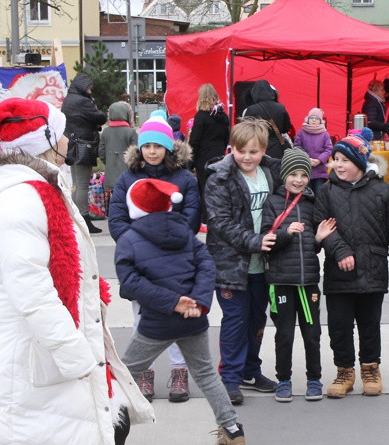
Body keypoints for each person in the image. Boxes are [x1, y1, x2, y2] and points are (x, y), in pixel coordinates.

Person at [0, 98, 154, 445]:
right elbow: (32, 291)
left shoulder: (32, 188)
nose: (67, 139)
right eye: (60, 132)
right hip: (29, 352)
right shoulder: (21, 198)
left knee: (110, 424)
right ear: (42, 140)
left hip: (35, 347)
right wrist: (77, 357)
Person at [115, 178, 246, 445]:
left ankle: (107, 431)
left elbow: (130, 283)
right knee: (207, 374)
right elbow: (206, 264)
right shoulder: (186, 233)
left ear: (134, 208)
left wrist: (173, 303)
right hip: (193, 318)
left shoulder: (129, 238)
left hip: (156, 322)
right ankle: (233, 430)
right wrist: (197, 301)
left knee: (124, 375)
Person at [314, 127, 389, 398]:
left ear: (359, 163)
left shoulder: (382, 191)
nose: (338, 164)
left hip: (372, 269)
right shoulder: (326, 192)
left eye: (344, 160)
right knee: (339, 326)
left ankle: (370, 368)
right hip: (339, 272)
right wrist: (339, 251)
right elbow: (322, 226)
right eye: (335, 159)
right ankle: (344, 371)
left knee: (369, 325)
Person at [107, 110, 200, 402]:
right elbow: (117, 220)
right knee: (141, 317)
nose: (152, 151)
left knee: (176, 316)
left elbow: (191, 219)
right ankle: (143, 372)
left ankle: (178, 370)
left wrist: (168, 246)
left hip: (175, 261)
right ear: (140, 147)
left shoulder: (185, 180)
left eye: (158, 146)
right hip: (140, 263)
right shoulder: (127, 179)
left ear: (168, 147)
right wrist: (137, 248)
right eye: (147, 146)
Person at [205, 118, 281, 404]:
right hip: (231, 264)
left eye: (253, 151)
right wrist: (255, 241)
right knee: (236, 320)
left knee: (256, 319)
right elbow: (220, 222)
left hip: (263, 264)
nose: (247, 157)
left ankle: (251, 370)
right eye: (241, 151)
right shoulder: (219, 178)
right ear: (231, 148)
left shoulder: (271, 172)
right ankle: (230, 378)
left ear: (263, 150)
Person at [261, 148, 337, 402]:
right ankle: (283, 380)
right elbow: (266, 239)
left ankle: (314, 379)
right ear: (284, 175)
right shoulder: (272, 202)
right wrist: (286, 232)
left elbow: (312, 247)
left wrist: (318, 238)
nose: (298, 180)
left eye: (303, 174)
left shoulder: (311, 202)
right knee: (284, 334)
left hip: (307, 282)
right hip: (281, 281)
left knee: (312, 332)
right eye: (293, 174)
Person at [61, 73, 108, 234]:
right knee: (82, 185)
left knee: (75, 184)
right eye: (89, 86)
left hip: (72, 145)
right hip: (83, 145)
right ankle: (83, 219)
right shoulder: (82, 101)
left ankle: (75, 218)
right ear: (82, 85)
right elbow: (100, 117)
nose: (90, 89)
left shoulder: (69, 99)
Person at [189, 83, 230, 223]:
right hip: (219, 156)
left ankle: (206, 218)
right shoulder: (223, 116)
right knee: (218, 187)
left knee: (204, 188)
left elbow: (195, 140)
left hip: (203, 158)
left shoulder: (201, 116)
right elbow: (226, 137)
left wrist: (191, 161)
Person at [99, 101, 137, 214]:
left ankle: (115, 213)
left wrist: (109, 162)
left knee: (115, 193)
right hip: (127, 170)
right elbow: (136, 152)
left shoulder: (106, 132)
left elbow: (101, 152)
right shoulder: (131, 132)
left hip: (111, 170)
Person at [241, 79, 292, 159]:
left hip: (257, 147)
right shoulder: (280, 108)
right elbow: (286, 128)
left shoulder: (251, 110)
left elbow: (245, 132)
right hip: (277, 147)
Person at [293, 108, 332, 194]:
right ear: (307, 119)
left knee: (319, 194)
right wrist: (306, 159)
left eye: (317, 118)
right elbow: (296, 147)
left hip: (320, 171)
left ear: (321, 121)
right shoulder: (301, 133)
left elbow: (328, 149)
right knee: (306, 195)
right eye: (312, 118)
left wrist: (319, 160)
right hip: (304, 170)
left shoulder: (325, 134)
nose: (314, 120)